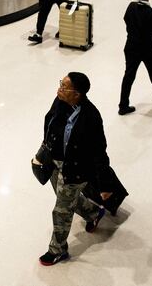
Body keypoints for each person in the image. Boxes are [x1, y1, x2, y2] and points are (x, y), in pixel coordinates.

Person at [35, 72, 112, 266]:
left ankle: (58, 250)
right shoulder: (60, 101)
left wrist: (105, 184)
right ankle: (93, 213)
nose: (59, 88)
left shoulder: (91, 117)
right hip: (55, 162)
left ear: (77, 94)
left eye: (64, 86)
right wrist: (43, 152)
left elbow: (99, 151)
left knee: (61, 209)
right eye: (60, 83)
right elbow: (50, 123)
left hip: (76, 169)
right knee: (67, 200)